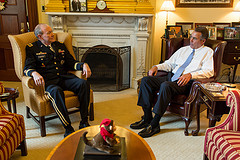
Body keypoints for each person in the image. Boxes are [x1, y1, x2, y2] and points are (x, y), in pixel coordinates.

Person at [130, 27, 214, 138]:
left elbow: (209, 72)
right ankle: (147, 118)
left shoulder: (207, 52)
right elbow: (169, 64)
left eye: (194, 38)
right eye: (190, 37)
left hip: (185, 82)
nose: (191, 41)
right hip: (172, 76)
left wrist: (190, 75)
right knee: (146, 81)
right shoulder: (183, 49)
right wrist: (156, 67)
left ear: (203, 41)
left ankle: (155, 124)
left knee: (166, 86)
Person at [24, 23, 92, 137]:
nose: (53, 34)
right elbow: (27, 68)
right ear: (40, 36)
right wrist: (34, 73)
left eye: (52, 31)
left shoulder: (59, 45)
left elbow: (71, 63)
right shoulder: (32, 48)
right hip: (49, 82)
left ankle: (84, 121)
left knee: (83, 83)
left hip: (64, 78)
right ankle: (68, 127)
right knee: (56, 92)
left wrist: (83, 65)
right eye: (49, 33)